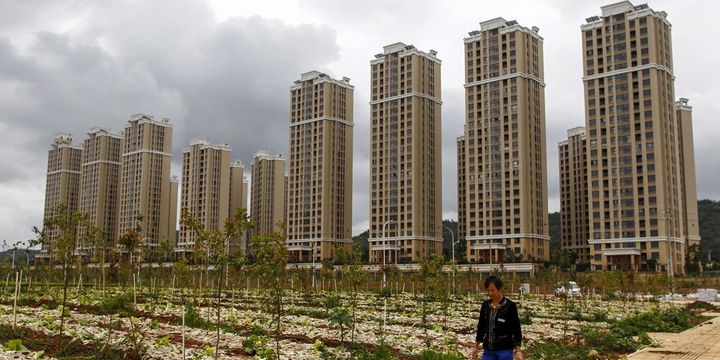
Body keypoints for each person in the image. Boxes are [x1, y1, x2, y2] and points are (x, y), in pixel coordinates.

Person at [471, 275, 523, 360]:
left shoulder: (510, 306)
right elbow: (481, 327)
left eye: (492, 290)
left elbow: (516, 329)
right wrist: (476, 347)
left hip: (505, 349)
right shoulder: (485, 305)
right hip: (488, 349)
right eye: (488, 290)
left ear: (500, 289)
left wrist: (518, 351)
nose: (490, 293)